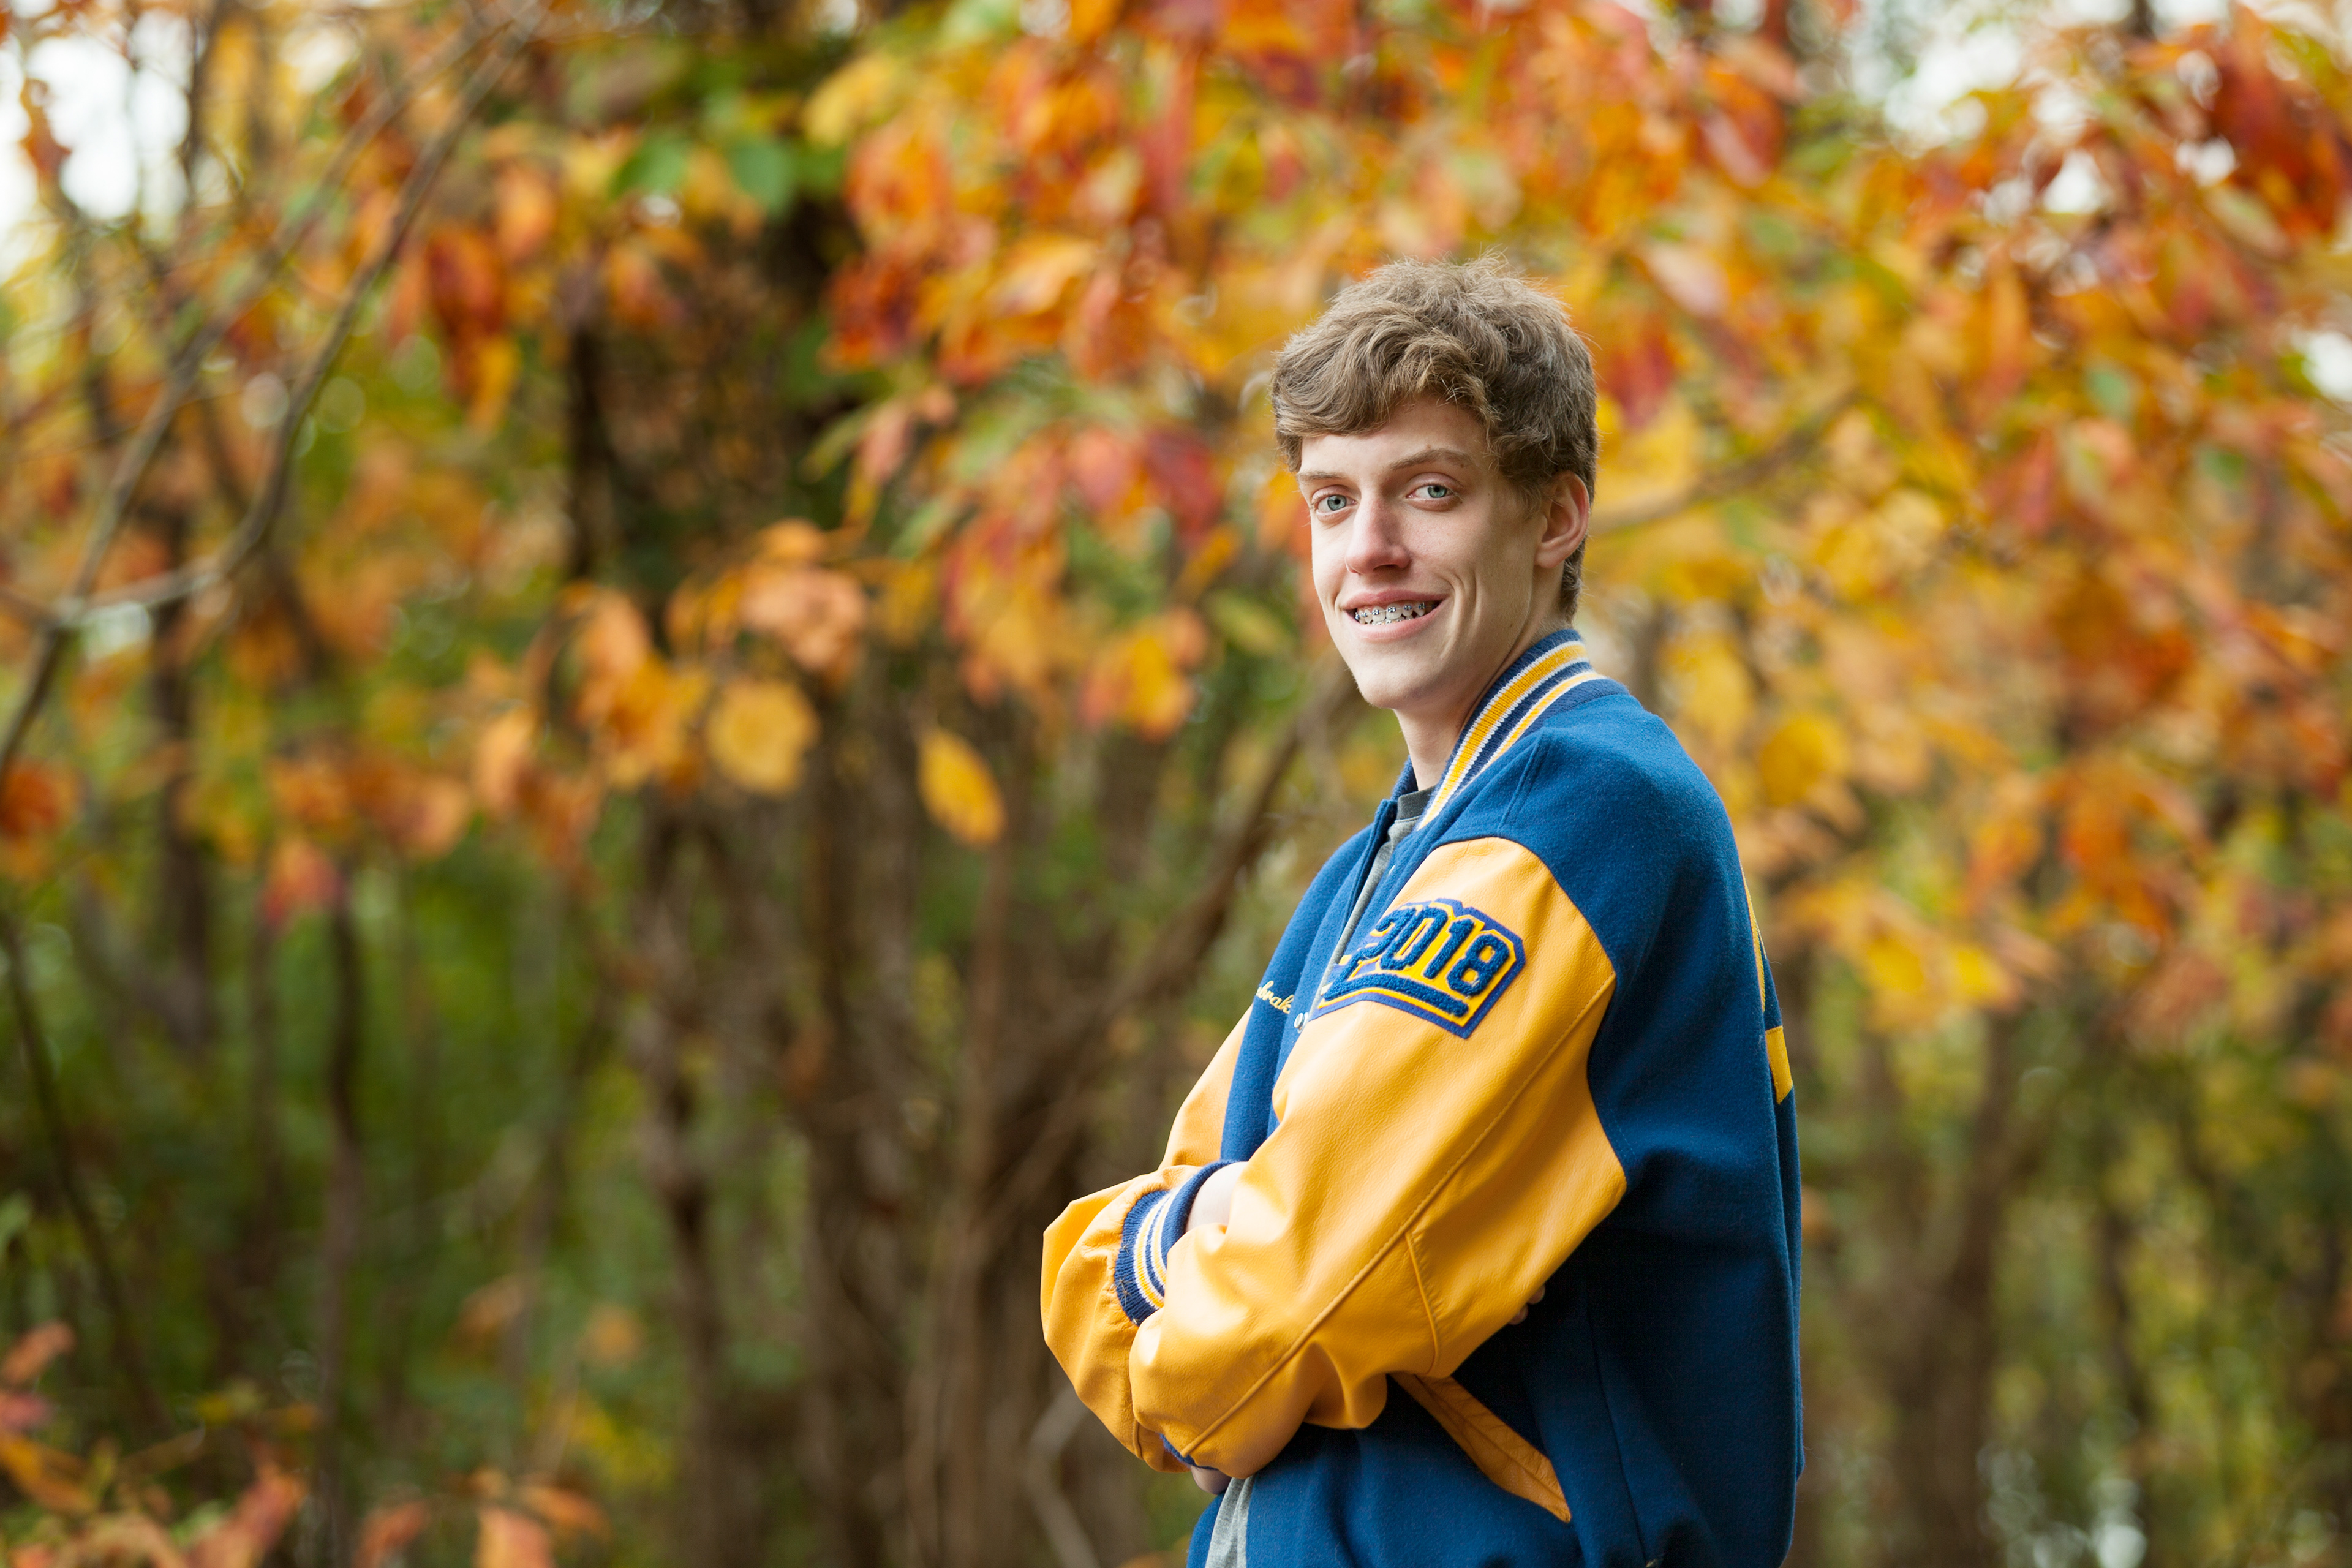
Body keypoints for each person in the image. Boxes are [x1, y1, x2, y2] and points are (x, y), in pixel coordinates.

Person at [1040, 257, 1801, 1567]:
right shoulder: (1375, 869)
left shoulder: (1588, 814)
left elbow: (1264, 1326)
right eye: (1332, 500)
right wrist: (1200, 1248)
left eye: (1430, 491)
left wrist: (1200, 1265)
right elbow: (1095, 1278)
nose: (1369, 549)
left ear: (1555, 516)